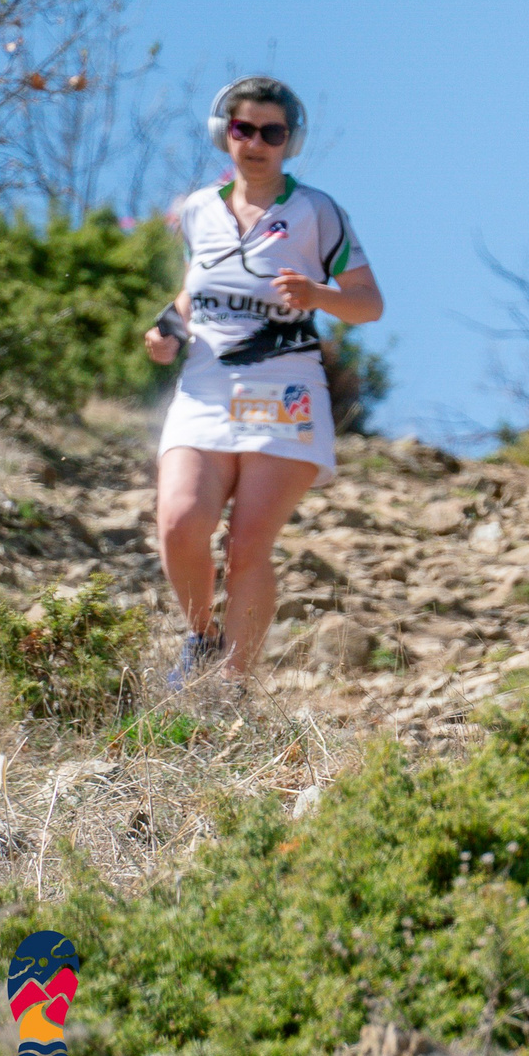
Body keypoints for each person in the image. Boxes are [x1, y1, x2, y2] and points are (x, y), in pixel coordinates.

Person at [144, 77, 383, 692]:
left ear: (290, 143)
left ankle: (232, 686)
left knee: (248, 546)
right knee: (179, 524)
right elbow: (194, 293)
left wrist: (317, 294)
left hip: (284, 393)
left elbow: (368, 305)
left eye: (271, 133)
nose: (254, 143)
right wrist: (166, 329)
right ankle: (201, 639)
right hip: (203, 391)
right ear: (224, 132)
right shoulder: (197, 209)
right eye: (243, 128)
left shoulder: (317, 211)